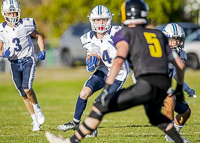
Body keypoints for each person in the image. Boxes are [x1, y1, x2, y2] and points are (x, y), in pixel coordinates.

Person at [46, 0, 187, 143]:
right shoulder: (158, 34)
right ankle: (177, 140)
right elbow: (179, 65)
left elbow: (119, 60)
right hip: (163, 86)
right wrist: (180, 88)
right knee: (155, 117)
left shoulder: (124, 33)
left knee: (100, 106)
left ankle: (69, 142)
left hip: (144, 84)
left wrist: (107, 88)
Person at [57, 5, 130, 137]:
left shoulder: (117, 32)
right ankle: (75, 122)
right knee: (84, 92)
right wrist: (91, 61)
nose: (101, 23)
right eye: (97, 20)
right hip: (103, 69)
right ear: (92, 21)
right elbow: (91, 54)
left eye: (103, 20)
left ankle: (92, 128)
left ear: (109, 20)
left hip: (118, 73)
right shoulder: (87, 38)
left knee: (99, 101)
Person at [0, 0, 45, 131]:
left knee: (27, 88)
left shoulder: (25, 24)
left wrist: (42, 51)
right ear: (4, 13)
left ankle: (37, 108)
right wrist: (3, 54)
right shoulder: (2, 29)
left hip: (27, 59)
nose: (12, 15)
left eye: (14, 13)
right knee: (23, 94)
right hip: (13, 62)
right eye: (10, 13)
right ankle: (35, 120)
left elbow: (38, 36)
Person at [162, 23, 196, 142]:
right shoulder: (158, 53)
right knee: (169, 98)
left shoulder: (181, 54)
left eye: (178, 39)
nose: (175, 42)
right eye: (172, 39)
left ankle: (173, 134)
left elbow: (176, 74)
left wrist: (188, 89)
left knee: (186, 111)